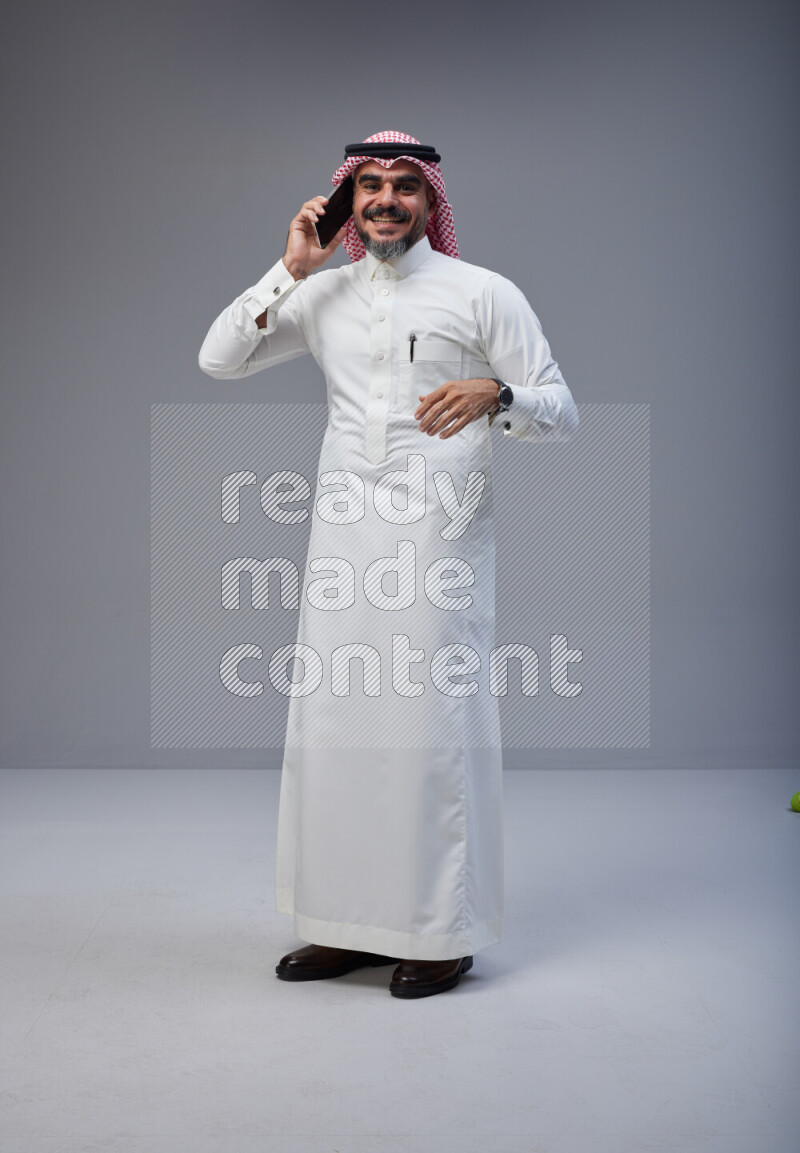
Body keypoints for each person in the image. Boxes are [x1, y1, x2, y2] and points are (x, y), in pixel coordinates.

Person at [199, 130, 578, 999]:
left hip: (440, 530)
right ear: (346, 198)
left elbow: (561, 407)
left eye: (404, 186)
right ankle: (343, 926)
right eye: (369, 184)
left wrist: (500, 393)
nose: (385, 201)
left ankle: (439, 932)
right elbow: (218, 358)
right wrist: (288, 268)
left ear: (429, 200)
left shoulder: (483, 292)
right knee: (335, 720)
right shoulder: (322, 292)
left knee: (426, 724)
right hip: (343, 527)